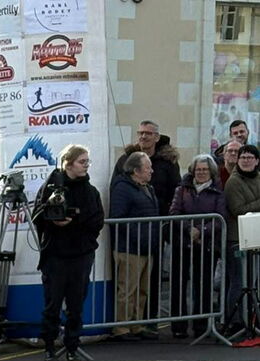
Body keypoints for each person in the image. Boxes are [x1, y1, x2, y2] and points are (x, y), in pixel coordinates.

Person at [33, 145, 104, 361]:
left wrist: (74, 221)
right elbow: (37, 216)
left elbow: (97, 221)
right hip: (55, 254)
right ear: (68, 163)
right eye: (82, 161)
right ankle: (49, 348)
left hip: (81, 254)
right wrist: (53, 219)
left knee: (76, 306)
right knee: (52, 305)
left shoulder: (90, 192)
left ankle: (72, 347)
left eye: (87, 161)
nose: (86, 166)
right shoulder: (51, 188)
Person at [168, 156, 227, 338]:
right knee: (178, 284)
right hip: (182, 242)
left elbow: (220, 218)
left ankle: (201, 326)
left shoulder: (218, 192)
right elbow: (174, 212)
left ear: (211, 171)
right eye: (198, 169)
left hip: (206, 245)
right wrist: (189, 229)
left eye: (204, 169)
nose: (201, 172)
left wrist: (201, 231)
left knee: (203, 285)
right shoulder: (182, 189)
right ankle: (179, 326)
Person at [108, 151, 160, 340]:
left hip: (147, 247)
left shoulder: (147, 188)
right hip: (129, 249)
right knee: (127, 289)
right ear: (136, 170)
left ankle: (136, 324)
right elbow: (118, 217)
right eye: (148, 168)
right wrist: (138, 238)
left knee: (142, 289)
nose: (151, 171)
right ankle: (122, 327)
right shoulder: (122, 188)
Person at [223, 144, 260, 331]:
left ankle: (252, 318)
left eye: (250, 157)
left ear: (257, 161)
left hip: (256, 237)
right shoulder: (233, 182)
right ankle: (235, 321)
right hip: (236, 238)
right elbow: (238, 209)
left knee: (254, 281)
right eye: (243, 157)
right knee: (238, 281)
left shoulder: (258, 178)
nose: (246, 161)